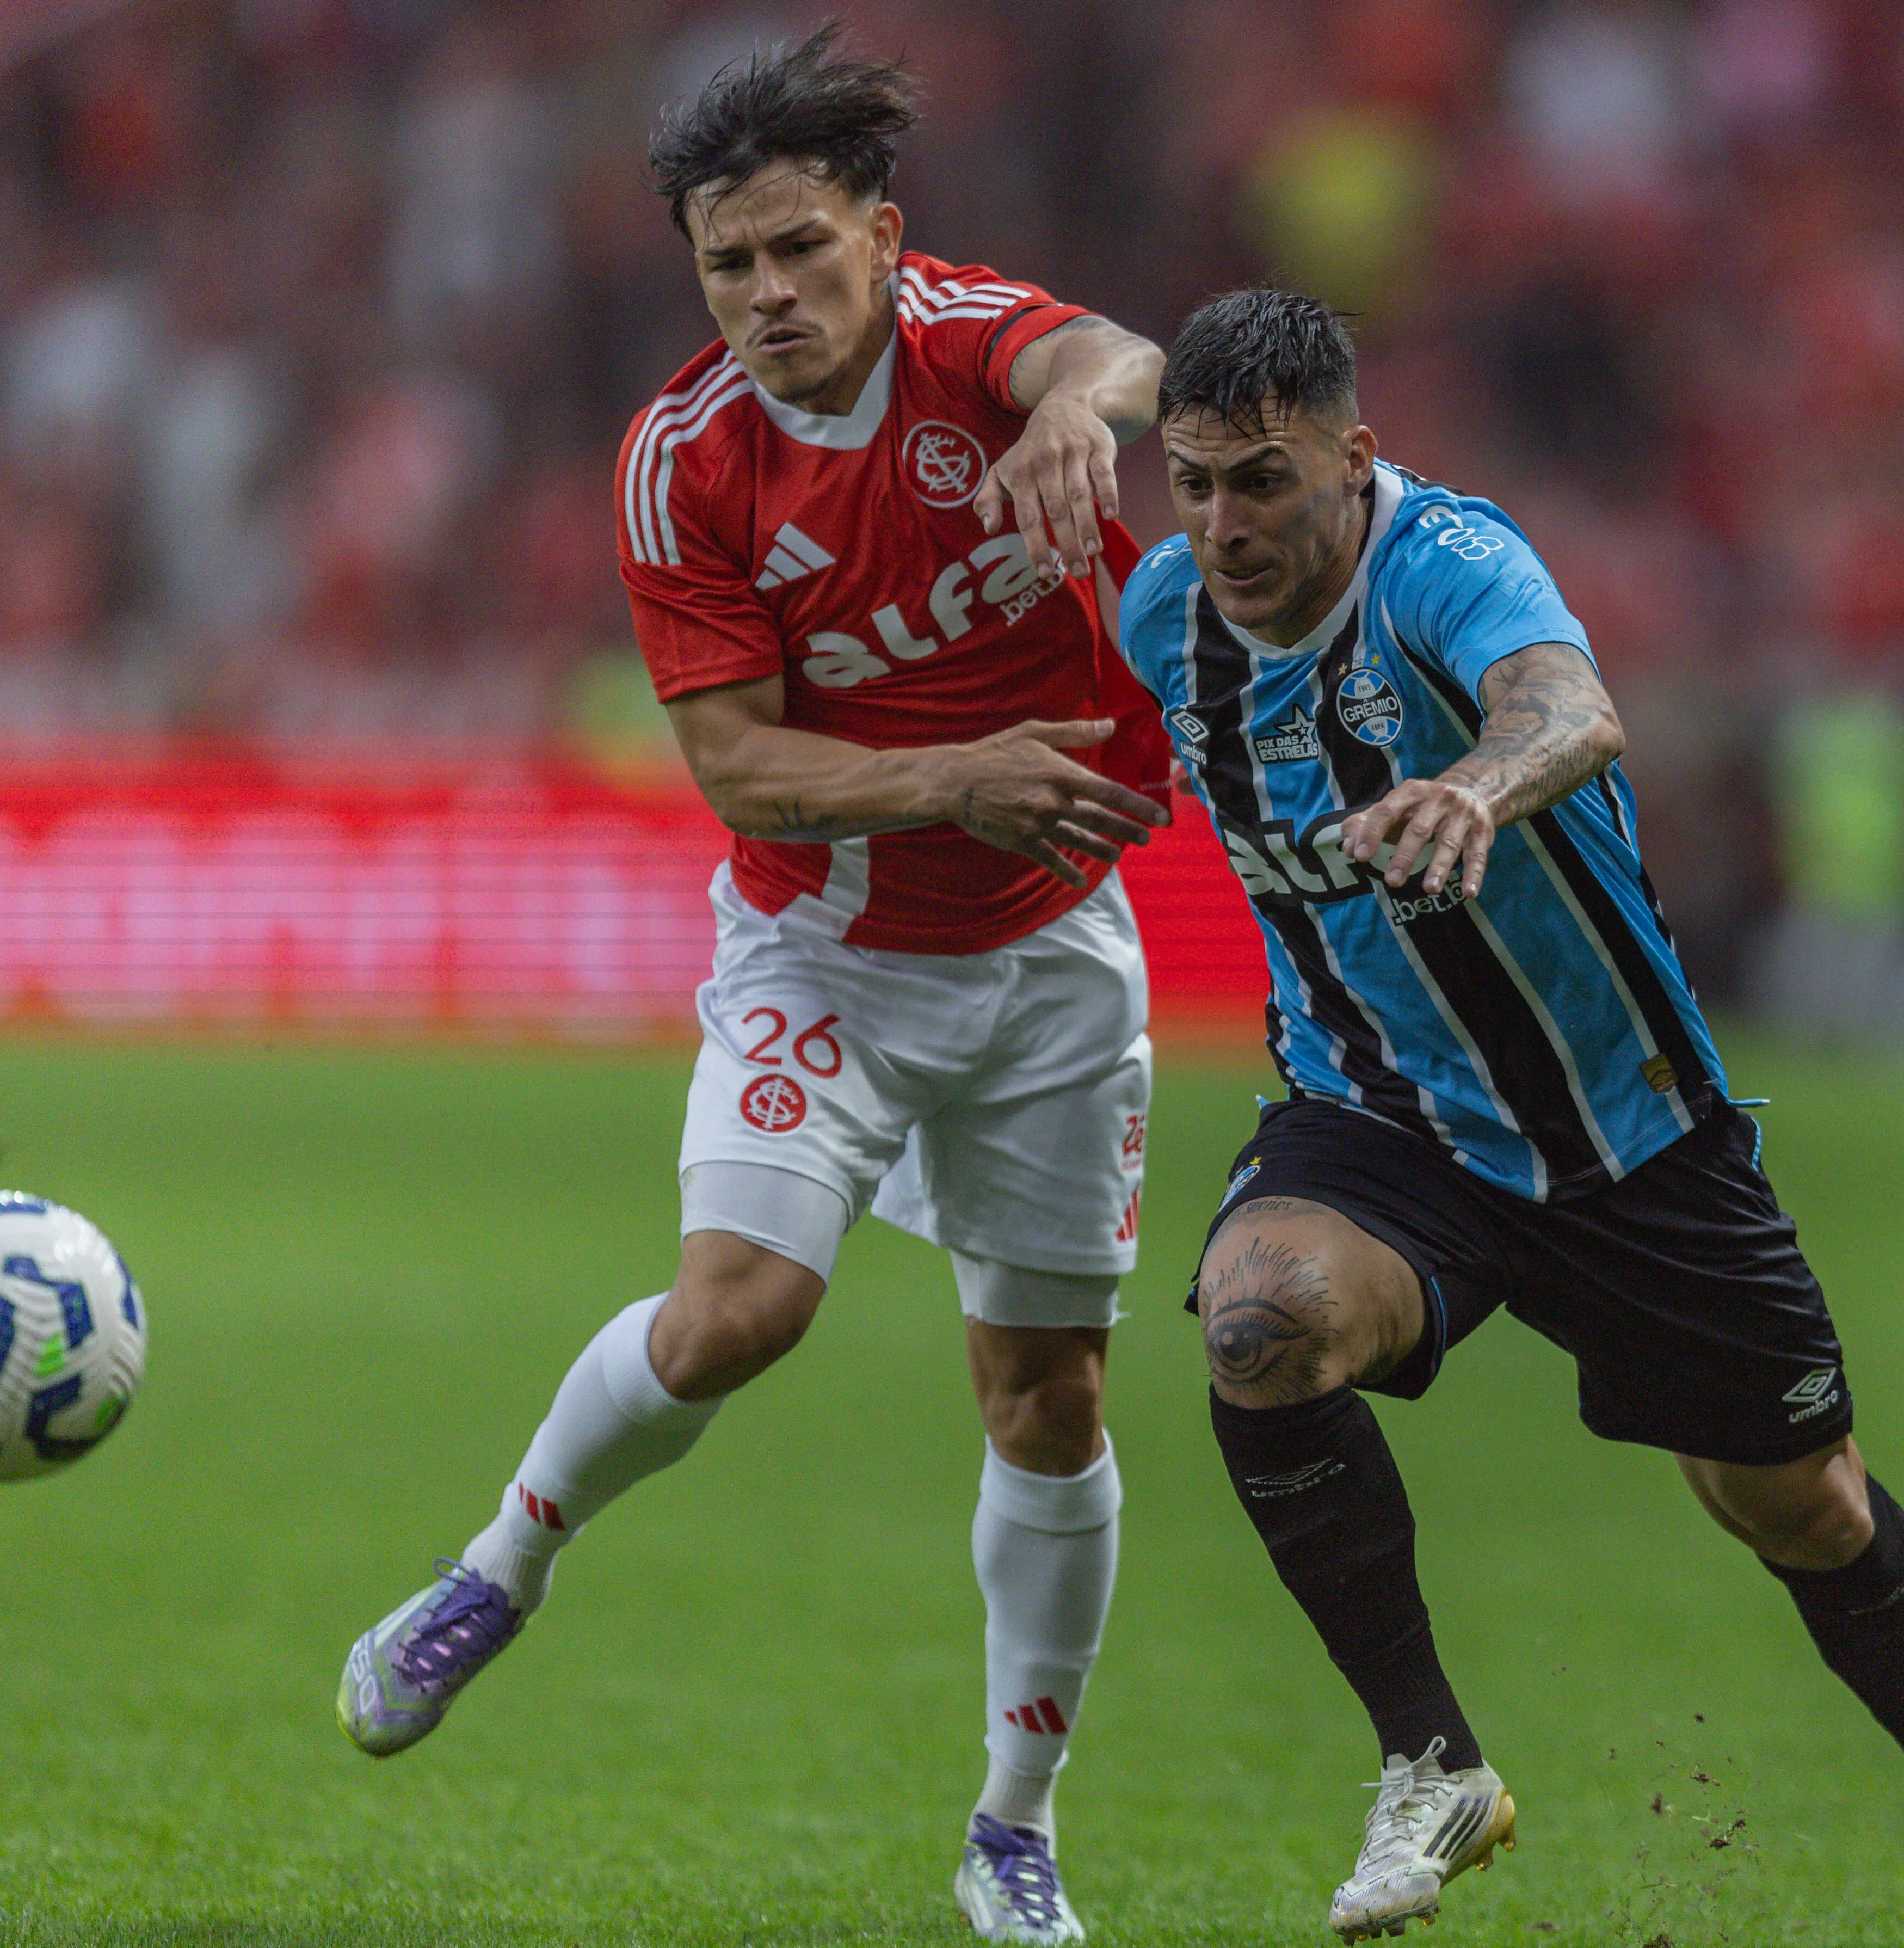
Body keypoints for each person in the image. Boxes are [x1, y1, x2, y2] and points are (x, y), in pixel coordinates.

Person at [1113, 289, 1904, 1948]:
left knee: (1797, 1503)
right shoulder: (1163, 617)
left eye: (1263, 480)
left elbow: (1567, 707)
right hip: (1377, 1115)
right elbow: (1095, 760)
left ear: (1353, 457)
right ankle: (1431, 1761)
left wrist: (1476, 781)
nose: (1225, 525)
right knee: (1259, 1326)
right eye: (1193, 483)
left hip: (1627, 1133)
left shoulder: (1445, 560)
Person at [336, 32, 1172, 1946]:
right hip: (826, 947)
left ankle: (1014, 1824)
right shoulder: (682, 463)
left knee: (1046, 1399)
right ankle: (494, 1569)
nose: (772, 298)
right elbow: (739, 770)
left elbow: (1110, 351)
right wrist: (962, 774)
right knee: (740, 1313)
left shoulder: (976, 348)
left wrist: (1079, 412)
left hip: (1050, 963)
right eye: (732, 267)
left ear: (884, 238)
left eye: (804, 250)